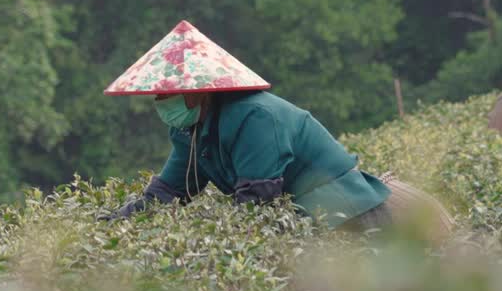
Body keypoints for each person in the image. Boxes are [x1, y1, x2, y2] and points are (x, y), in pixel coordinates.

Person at [99, 20, 398, 230]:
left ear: (197, 90)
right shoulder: (191, 132)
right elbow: (168, 192)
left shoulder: (254, 117)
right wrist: (113, 223)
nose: (160, 100)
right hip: (301, 218)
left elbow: (257, 202)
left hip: (346, 215)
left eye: (167, 92)